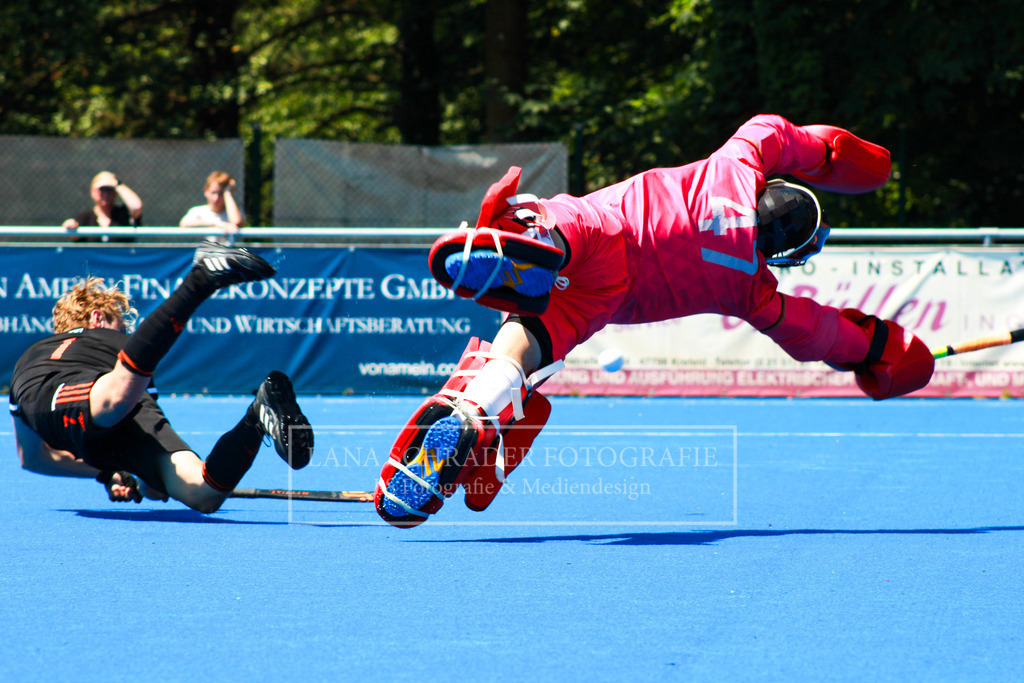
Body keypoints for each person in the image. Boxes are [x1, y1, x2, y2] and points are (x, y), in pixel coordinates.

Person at [373, 114, 936, 528]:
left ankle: (527, 238)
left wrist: (853, 162)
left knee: (563, 231)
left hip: (600, 233)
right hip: (602, 300)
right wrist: (876, 348)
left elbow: (812, 143)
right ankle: (481, 408)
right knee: (529, 349)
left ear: (774, 187)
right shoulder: (753, 289)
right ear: (788, 257)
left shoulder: (737, 161)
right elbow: (817, 333)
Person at [9, 241, 314, 512]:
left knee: (200, 490)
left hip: (64, 403)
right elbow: (152, 484)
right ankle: (255, 415)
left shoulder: (32, 355)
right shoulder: (104, 349)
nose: (126, 336)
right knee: (196, 487)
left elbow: (33, 458)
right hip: (88, 402)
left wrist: (119, 472)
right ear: (98, 318)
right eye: (121, 326)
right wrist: (119, 471)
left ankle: (202, 280)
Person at [62, 171, 143, 242]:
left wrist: (117, 184)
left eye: (109, 189)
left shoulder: (123, 214)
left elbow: (136, 208)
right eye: (101, 190)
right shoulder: (84, 217)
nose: (105, 194)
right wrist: (70, 226)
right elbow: (75, 237)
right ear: (92, 191)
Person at [179, 171, 246, 243]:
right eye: (213, 192)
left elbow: (236, 222)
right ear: (206, 191)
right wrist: (217, 223)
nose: (216, 198)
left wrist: (227, 193)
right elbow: (184, 224)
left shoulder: (234, 212)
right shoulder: (197, 211)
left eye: (221, 193)